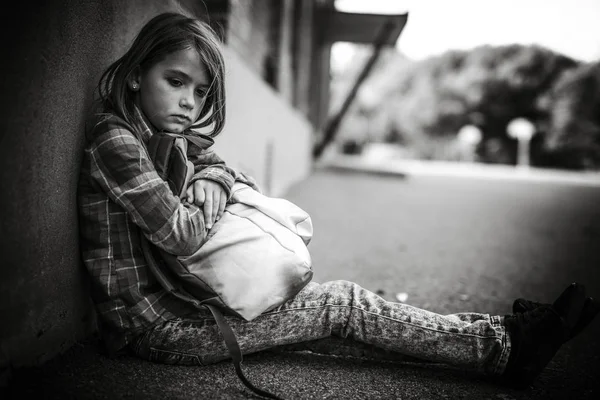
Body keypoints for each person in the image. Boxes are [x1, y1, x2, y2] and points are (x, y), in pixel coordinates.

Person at [78, 11, 598, 393]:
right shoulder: (117, 141)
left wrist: (213, 178)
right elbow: (185, 234)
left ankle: (499, 341)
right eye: (176, 82)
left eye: (201, 91)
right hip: (160, 329)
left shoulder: (164, 135)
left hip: (189, 304)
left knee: (348, 328)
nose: (189, 102)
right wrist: (211, 187)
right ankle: (504, 346)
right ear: (134, 74)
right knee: (340, 305)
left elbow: (216, 162)